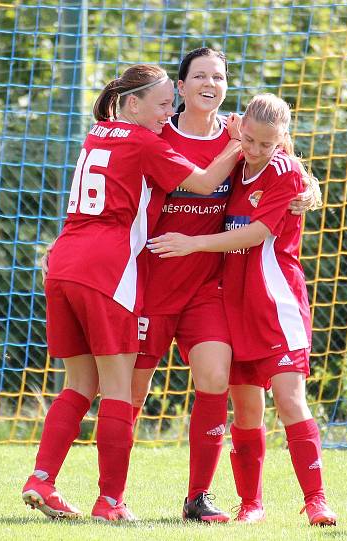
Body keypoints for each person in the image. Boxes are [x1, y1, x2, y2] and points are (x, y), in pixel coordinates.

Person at [21, 63, 242, 522]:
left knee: (79, 385)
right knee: (119, 391)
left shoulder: (97, 133)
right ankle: (111, 501)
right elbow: (203, 183)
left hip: (62, 261)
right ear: (131, 103)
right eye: (162, 104)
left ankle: (41, 479)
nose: (169, 113)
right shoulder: (145, 141)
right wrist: (238, 145)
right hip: (107, 267)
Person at [131, 48, 318, 523]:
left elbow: (277, 163)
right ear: (180, 85)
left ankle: (204, 497)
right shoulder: (162, 135)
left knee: (235, 384)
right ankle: (110, 496)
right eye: (199, 75)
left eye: (218, 75)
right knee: (130, 395)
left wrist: (309, 188)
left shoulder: (241, 139)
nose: (209, 82)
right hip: (161, 286)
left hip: (230, 295)